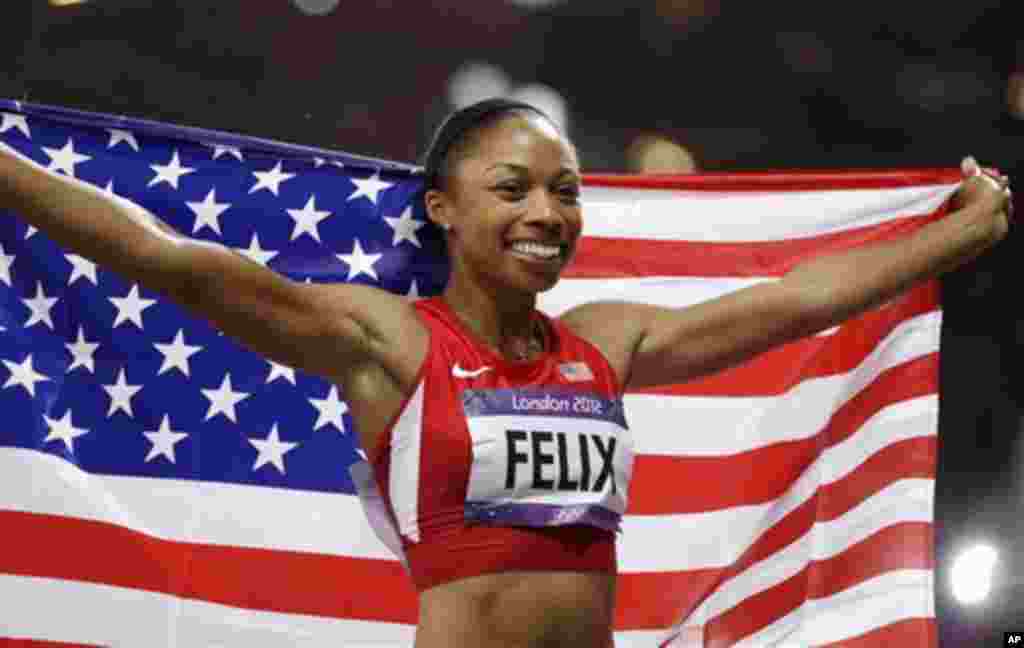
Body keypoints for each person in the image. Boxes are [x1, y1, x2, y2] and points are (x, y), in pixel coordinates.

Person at [0, 98, 1012, 647]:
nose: (548, 213)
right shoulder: (388, 344)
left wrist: (953, 241)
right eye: (513, 188)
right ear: (441, 208)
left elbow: (799, 301)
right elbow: (170, 261)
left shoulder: (605, 343)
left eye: (565, 193)